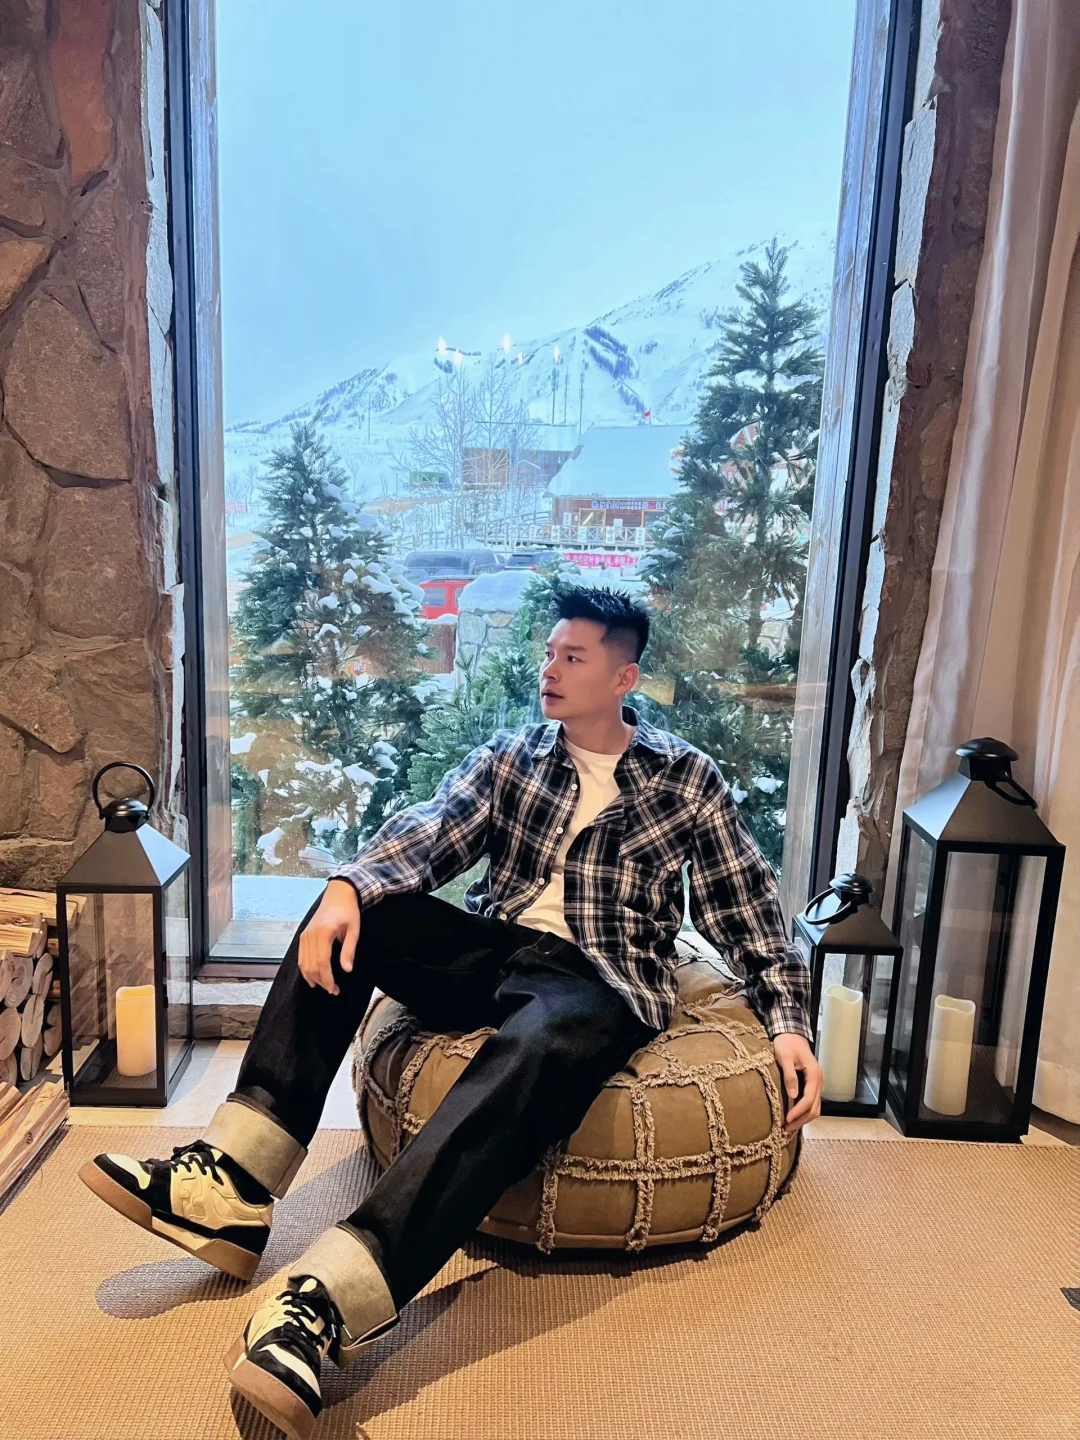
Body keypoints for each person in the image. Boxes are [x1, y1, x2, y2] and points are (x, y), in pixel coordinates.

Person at [80, 583, 823, 1440]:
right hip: (498, 948)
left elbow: (747, 909)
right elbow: (432, 830)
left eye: (572, 657)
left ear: (623, 678)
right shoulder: (514, 756)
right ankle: (233, 1184)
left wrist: (788, 1023)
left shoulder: (685, 780)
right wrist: (347, 886)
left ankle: (328, 1302)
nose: (549, 669)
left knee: (534, 1052)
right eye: (548, 652)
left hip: (603, 978)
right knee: (354, 918)